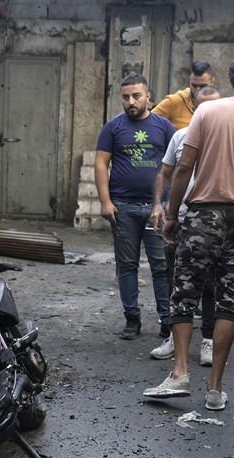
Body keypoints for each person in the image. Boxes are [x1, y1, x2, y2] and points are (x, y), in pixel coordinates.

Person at [143, 54, 234, 411]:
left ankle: (179, 374)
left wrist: (173, 213)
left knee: (185, 290)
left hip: (203, 212)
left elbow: (183, 167)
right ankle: (215, 387)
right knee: (229, 299)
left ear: (232, 79)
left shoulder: (206, 112)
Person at [95, 73, 178, 339]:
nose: (131, 101)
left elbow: (176, 168)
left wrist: (169, 204)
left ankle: (167, 319)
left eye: (136, 96)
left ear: (148, 98)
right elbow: (101, 164)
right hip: (123, 208)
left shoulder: (164, 127)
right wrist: (105, 202)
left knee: (161, 266)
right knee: (127, 266)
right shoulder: (113, 127)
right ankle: (132, 319)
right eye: (126, 97)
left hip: (157, 209)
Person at [149, 86, 223, 361]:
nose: (208, 112)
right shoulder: (180, 137)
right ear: (194, 108)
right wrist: (160, 205)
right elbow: (164, 173)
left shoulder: (227, 139)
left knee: (209, 284)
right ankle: (173, 336)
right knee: (175, 281)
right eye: (202, 107)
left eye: (214, 107)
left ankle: (207, 340)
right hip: (178, 221)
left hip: (213, 222)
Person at [152, 60, 215, 130]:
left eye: (203, 86)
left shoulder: (219, 105)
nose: (198, 90)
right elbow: (148, 122)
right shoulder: (175, 101)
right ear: (190, 80)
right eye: (194, 85)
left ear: (212, 82)